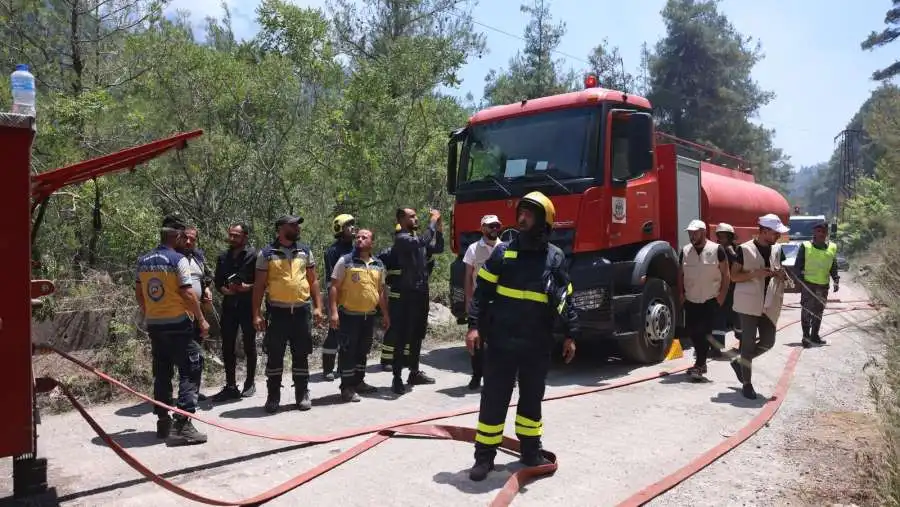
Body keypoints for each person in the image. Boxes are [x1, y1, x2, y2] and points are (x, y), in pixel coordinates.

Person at [465, 191, 579, 482]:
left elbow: (566, 298)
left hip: (537, 343)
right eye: (522, 212)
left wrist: (570, 334)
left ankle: (530, 452)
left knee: (531, 401)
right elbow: (481, 293)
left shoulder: (555, 256)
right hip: (503, 341)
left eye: (530, 213)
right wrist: (474, 326)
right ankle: (484, 457)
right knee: (494, 398)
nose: (522, 217)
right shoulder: (503, 252)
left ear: (544, 220)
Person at [135, 215, 209, 446]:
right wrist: (201, 319)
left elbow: (139, 292)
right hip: (178, 324)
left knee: (162, 371)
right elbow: (187, 293)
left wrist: (150, 312)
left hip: (155, 324)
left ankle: (163, 421)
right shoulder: (178, 260)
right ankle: (183, 424)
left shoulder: (143, 260)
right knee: (192, 366)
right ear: (176, 235)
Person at [252, 214, 325, 413]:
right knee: (275, 355)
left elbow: (313, 281)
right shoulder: (267, 253)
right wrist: (256, 314)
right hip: (277, 313)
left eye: (297, 225)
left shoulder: (305, 251)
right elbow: (259, 286)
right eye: (293, 225)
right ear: (281, 228)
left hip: (302, 311)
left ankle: (302, 393)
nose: (297, 228)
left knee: (301, 354)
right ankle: (273, 396)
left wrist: (318, 307)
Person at [729, 214, 789, 400]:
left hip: (769, 303)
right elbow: (734, 276)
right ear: (763, 231)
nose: (778, 236)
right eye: (775, 232)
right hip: (748, 303)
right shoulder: (744, 250)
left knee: (768, 342)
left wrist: (781, 275)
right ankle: (747, 383)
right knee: (747, 345)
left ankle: (740, 362)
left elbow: (785, 271)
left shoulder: (778, 250)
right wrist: (755, 274)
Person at [329, 229, 391, 402]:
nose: (360, 239)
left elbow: (380, 292)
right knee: (348, 351)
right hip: (349, 315)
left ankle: (359, 382)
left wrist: (385, 314)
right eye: (358, 237)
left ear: (372, 242)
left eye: (365, 237)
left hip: (368, 316)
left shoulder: (378, 264)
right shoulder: (346, 261)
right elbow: (334, 287)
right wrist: (333, 312)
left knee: (363, 351)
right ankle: (346, 387)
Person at [390, 207, 444, 394]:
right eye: (411, 216)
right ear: (402, 219)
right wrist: (432, 222)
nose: (415, 218)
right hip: (408, 295)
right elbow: (422, 240)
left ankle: (414, 372)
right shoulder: (403, 239)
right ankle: (396, 377)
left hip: (422, 293)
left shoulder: (416, 239)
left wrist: (440, 229)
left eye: (415, 216)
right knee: (403, 336)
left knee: (418, 335)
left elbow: (438, 248)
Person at [210, 222, 258, 401]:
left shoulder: (254, 255)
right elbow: (217, 282)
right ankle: (231, 385)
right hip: (229, 306)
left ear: (245, 237)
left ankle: (250, 382)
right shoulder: (223, 257)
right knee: (227, 346)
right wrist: (225, 290)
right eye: (230, 235)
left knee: (249, 344)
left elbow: (263, 282)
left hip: (247, 305)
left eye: (236, 235)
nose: (232, 238)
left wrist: (248, 287)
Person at [678, 220, 730, 381]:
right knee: (693, 332)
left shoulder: (717, 249)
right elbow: (680, 274)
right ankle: (701, 363)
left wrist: (721, 296)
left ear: (703, 232)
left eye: (695, 233)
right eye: (690, 233)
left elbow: (726, 274)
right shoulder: (685, 251)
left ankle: (700, 364)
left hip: (710, 298)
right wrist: (681, 294)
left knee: (704, 332)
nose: (692, 236)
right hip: (691, 298)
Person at [462, 214, 502, 390]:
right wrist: (469, 301)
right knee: (477, 342)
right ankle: (477, 376)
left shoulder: (505, 248)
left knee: (502, 342)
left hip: (501, 301)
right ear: (482, 228)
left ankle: (503, 375)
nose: (494, 229)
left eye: (496, 226)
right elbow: (468, 278)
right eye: (490, 226)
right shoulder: (472, 249)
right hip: (481, 302)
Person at [793, 220, 840, 347]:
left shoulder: (832, 247)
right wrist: (800, 281)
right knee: (807, 311)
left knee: (819, 311)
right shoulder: (806, 246)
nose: (821, 234)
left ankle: (815, 335)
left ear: (827, 233)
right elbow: (798, 266)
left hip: (823, 286)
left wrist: (836, 279)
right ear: (814, 232)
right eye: (818, 231)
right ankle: (806, 337)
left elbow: (833, 265)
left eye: (824, 231)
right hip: (808, 284)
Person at [322, 214, 357, 381]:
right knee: (334, 332)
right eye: (348, 225)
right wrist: (332, 304)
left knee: (349, 334)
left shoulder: (357, 249)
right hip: (337, 297)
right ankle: (328, 368)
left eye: (353, 225)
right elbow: (331, 280)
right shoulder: (332, 251)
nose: (353, 228)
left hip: (353, 298)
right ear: (340, 229)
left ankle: (344, 368)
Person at [376, 234, 409, 372]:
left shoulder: (414, 251)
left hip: (412, 294)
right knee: (393, 327)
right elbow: (377, 268)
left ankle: (405, 358)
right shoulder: (387, 253)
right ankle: (387, 359)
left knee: (409, 328)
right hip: (394, 294)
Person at [714, 223, 742, 355]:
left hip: (735, 289)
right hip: (720, 289)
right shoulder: (716, 250)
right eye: (719, 237)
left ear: (730, 237)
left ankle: (743, 342)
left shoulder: (737, 250)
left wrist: (731, 252)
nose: (720, 240)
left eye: (723, 237)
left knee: (737, 317)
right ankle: (716, 347)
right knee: (718, 317)